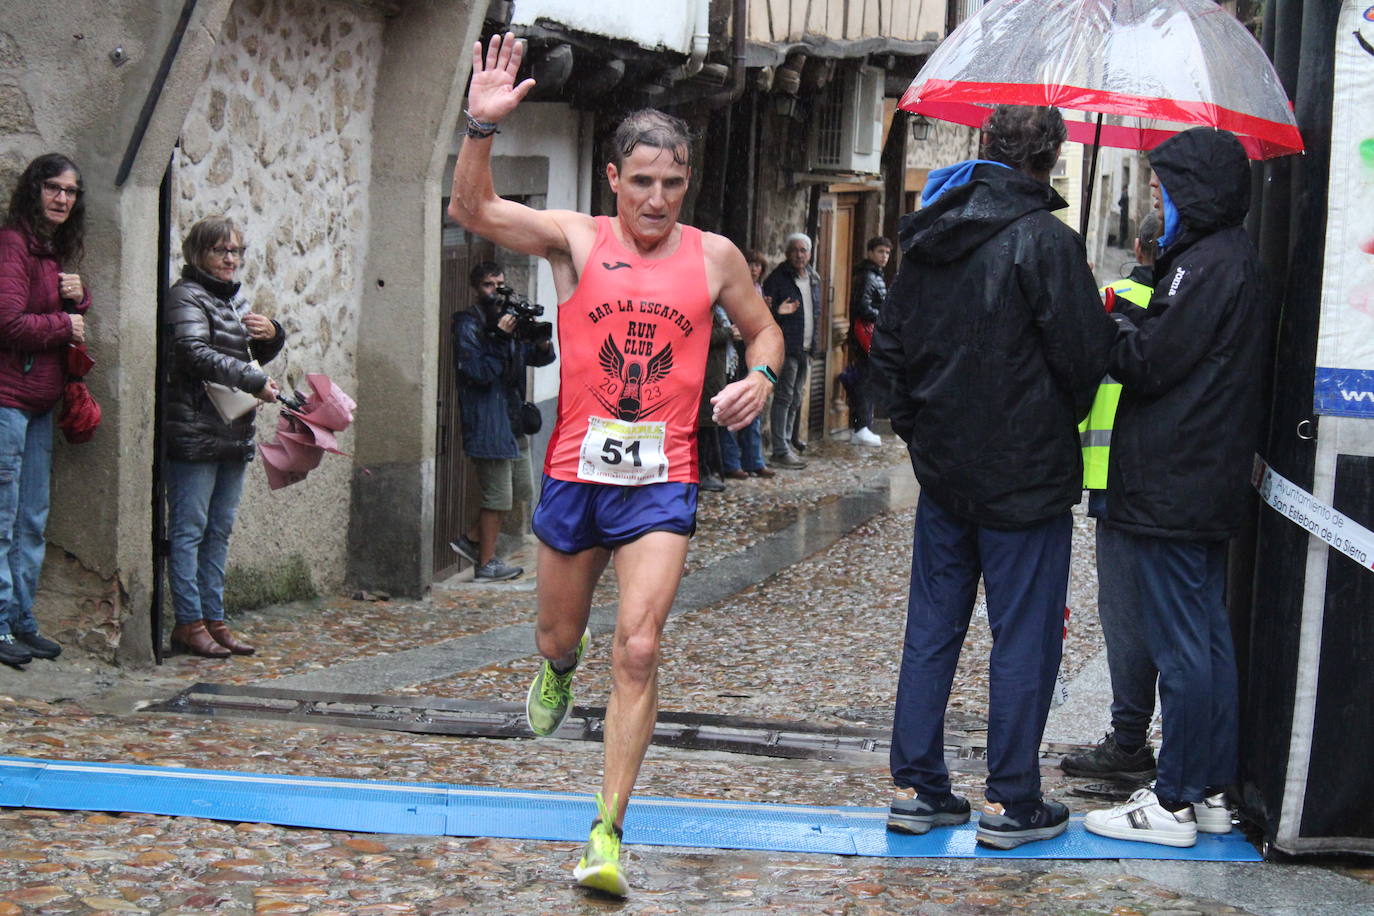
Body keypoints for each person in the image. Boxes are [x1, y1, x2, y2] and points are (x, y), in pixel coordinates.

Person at [447, 33, 783, 896]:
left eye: (672, 183)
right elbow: (474, 213)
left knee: (637, 646)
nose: (658, 199)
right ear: (613, 181)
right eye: (643, 182)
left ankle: (606, 833)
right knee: (562, 635)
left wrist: (763, 377)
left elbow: (765, 328)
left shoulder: (713, 257)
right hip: (576, 473)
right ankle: (558, 668)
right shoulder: (575, 240)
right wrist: (479, 128)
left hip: (662, 479)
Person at [870, 105, 1116, 850]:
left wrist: (928, 439)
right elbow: (1085, 361)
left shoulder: (930, 236)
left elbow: (892, 358)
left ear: (986, 150)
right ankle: (1012, 800)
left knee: (932, 631)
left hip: (947, 476)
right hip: (1026, 480)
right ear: (1051, 159)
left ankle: (918, 787)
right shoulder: (1048, 242)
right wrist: (1048, 422)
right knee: (1024, 640)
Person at [1083, 127, 1262, 848]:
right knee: (1208, 642)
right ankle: (1211, 786)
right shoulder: (1223, 260)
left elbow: (1153, 363)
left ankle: (1176, 798)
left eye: (1165, 188)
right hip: (1196, 481)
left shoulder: (1207, 266)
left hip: (1174, 484)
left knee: (1184, 645)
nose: (1158, 198)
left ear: (1197, 192)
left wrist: (1115, 321)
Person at [1060, 213, 1161, 786]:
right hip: (1167, 479)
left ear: (1141, 246)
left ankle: (1128, 739)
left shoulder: (1113, 298)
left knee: (1124, 617)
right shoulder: (1189, 305)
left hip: (1108, 478)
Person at [163, 215, 284, 659]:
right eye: (221, 250)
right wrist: (254, 380)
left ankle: (215, 620)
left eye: (235, 251)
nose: (230, 259)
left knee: (219, 530)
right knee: (189, 530)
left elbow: (241, 352)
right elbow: (194, 353)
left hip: (231, 431)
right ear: (199, 254)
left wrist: (273, 335)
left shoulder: (229, 301)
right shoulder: (186, 296)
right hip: (194, 432)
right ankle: (188, 622)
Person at [0, 153, 91, 668]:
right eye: (53, 188)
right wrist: (64, 324)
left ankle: (20, 620)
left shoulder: (51, 248)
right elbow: (8, 321)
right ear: (33, 190)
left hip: (39, 403)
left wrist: (80, 297)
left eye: (71, 191)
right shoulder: (12, 243)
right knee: (4, 519)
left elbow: (58, 307)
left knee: (32, 520)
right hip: (8, 400)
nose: (62, 198)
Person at [448, 261, 556, 580]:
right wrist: (497, 338)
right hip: (487, 422)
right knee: (497, 496)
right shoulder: (467, 324)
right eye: (487, 285)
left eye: (499, 284)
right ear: (475, 288)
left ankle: (472, 539)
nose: (495, 292)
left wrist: (539, 338)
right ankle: (486, 563)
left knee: (522, 489)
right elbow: (480, 372)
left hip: (513, 420)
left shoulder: (509, 321)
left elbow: (539, 358)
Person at [761, 233, 821, 469]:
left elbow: (816, 313)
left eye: (803, 250)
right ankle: (780, 449)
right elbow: (764, 313)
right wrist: (778, 311)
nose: (799, 254)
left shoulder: (813, 278)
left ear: (809, 253)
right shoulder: (778, 279)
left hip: (805, 348)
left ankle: (787, 441)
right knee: (784, 397)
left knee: (796, 397)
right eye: (795, 250)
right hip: (786, 347)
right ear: (787, 253)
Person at [716, 251, 773, 479]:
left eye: (758, 265)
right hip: (732, 357)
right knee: (731, 408)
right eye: (750, 264)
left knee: (752, 406)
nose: (754, 269)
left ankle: (754, 460)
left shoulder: (759, 293)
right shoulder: (730, 292)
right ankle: (732, 463)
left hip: (750, 355)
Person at [842, 236, 891, 447]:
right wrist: (885, 315)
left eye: (887, 253)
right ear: (871, 252)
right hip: (866, 337)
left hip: (871, 336)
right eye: (880, 251)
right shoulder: (868, 277)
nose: (884, 257)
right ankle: (862, 426)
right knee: (865, 382)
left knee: (867, 381)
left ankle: (863, 426)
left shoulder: (874, 275)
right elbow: (862, 307)